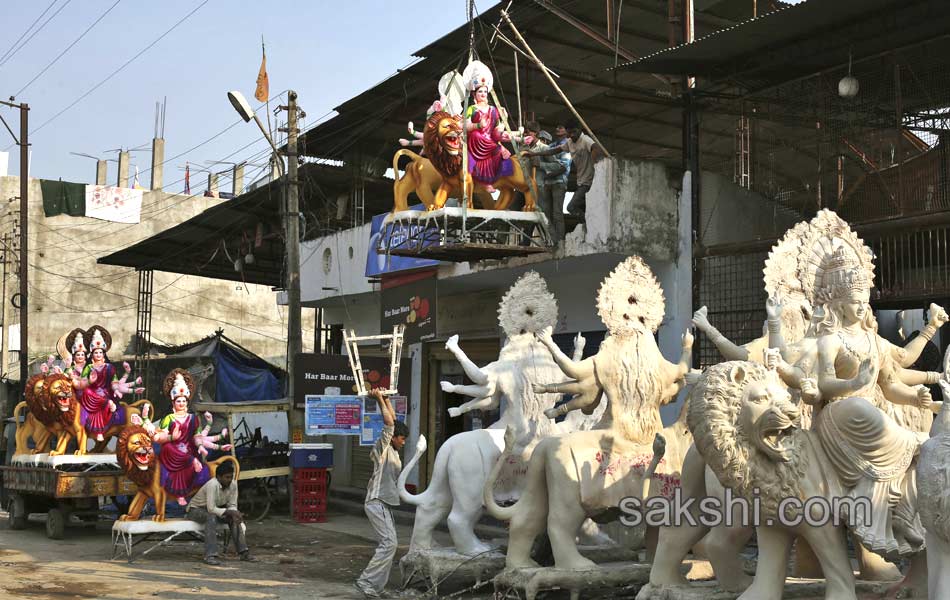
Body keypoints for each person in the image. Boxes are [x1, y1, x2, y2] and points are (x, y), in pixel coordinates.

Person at [355, 388, 410, 599]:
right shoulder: (383, 447)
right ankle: (366, 581)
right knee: (389, 543)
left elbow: (393, 421)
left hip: (384, 503)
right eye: (402, 439)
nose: (403, 442)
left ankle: (376, 587)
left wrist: (386, 398)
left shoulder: (394, 451)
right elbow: (389, 425)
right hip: (376, 501)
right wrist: (379, 399)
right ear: (393, 438)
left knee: (390, 544)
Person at [524, 121, 602, 219]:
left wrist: (594, 164)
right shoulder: (569, 142)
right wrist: (535, 154)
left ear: (580, 130)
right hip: (580, 181)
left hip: (587, 181)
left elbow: (596, 148)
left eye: (574, 132)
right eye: (569, 133)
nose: (572, 135)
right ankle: (586, 224)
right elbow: (554, 150)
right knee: (582, 207)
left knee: (570, 207)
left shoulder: (585, 140)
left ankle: (588, 223)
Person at [186, 460, 254, 565]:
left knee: (234, 518)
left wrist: (235, 513)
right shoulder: (212, 484)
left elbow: (232, 505)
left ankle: (244, 553)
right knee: (211, 517)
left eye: (231, 477)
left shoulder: (233, 485)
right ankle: (210, 555)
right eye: (227, 477)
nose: (229, 480)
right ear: (218, 477)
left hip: (214, 510)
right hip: (195, 510)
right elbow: (211, 508)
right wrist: (230, 512)